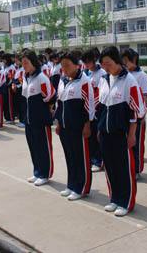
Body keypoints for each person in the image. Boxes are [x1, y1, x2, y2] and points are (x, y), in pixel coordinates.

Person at [97, 46, 145, 216]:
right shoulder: (103, 79)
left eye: (108, 63)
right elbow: (100, 107)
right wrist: (99, 128)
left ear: (117, 61)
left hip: (121, 133)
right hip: (105, 132)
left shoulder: (129, 80)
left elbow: (137, 111)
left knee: (124, 168)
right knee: (110, 166)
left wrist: (132, 134)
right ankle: (114, 198)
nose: (105, 67)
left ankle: (126, 202)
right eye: (103, 64)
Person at [55, 51, 95, 200]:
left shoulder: (84, 81)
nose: (64, 68)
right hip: (65, 126)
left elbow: (89, 104)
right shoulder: (62, 79)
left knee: (81, 157)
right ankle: (71, 184)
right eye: (62, 66)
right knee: (69, 156)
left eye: (67, 65)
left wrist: (87, 125)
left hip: (79, 126)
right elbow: (59, 103)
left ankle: (82, 187)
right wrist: (58, 123)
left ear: (77, 65)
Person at [22, 50, 56, 186]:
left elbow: (51, 97)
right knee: (33, 147)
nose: (23, 65)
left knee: (43, 147)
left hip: (40, 120)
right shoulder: (26, 77)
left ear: (33, 61)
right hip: (29, 120)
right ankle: (37, 172)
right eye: (22, 63)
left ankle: (45, 174)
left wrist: (45, 113)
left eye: (26, 63)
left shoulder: (41, 78)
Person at [122, 49, 147, 178]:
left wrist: (142, 115)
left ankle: (137, 169)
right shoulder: (123, 74)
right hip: (125, 113)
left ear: (133, 60)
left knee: (137, 143)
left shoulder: (141, 75)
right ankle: (128, 166)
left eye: (126, 61)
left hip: (138, 114)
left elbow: (144, 97)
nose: (124, 63)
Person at [81, 49, 107, 172]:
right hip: (88, 109)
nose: (86, 64)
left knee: (97, 136)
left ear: (94, 60)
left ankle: (99, 160)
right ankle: (92, 158)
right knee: (89, 136)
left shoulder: (101, 73)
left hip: (97, 109)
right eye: (84, 62)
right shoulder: (85, 73)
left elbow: (101, 93)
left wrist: (94, 107)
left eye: (88, 62)